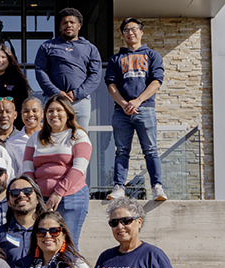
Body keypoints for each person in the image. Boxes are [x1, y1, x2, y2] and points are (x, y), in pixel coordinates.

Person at [106, 18, 167, 201]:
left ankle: (157, 186)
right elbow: (110, 84)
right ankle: (119, 187)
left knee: (150, 150)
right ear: (122, 35)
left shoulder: (152, 55)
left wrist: (138, 101)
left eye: (133, 29)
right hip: (121, 111)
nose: (130, 33)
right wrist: (124, 103)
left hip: (145, 109)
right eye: (126, 30)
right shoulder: (116, 58)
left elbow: (156, 81)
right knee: (121, 151)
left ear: (141, 32)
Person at [22, 95, 92, 246]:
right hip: (41, 200)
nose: (54, 114)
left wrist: (58, 192)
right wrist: (35, 195)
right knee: (44, 245)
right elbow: (27, 169)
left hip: (71, 197)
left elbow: (79, 168)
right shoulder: (35, 138)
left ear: (68, 113)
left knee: (68, 245)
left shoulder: (78, 135)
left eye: (59, 110)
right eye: (50, 111)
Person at [34, 7, 102, 128]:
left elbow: (95, 75)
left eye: (72, 22)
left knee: (80, 139)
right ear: (60, 26)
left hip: (80, 102)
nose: (68, 25)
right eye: (64, 23)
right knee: (52, 139)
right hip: (54, 100)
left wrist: (77, 94)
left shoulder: (90, 48)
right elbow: (40, 72)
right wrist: (57, 93)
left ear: (79, 25)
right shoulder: (47, 46)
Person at [0, 177, 46, 268]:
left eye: (27, 191)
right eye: (14, 193)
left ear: (38, 199)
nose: (21, 195)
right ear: (9, 202)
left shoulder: (51, 232)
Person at [4, 98, 44, 171]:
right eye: (26, 111)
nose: (30, 114)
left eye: (35, 111)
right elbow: (12, 172)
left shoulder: (52, 135)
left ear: (42, 114)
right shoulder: (12, 142)